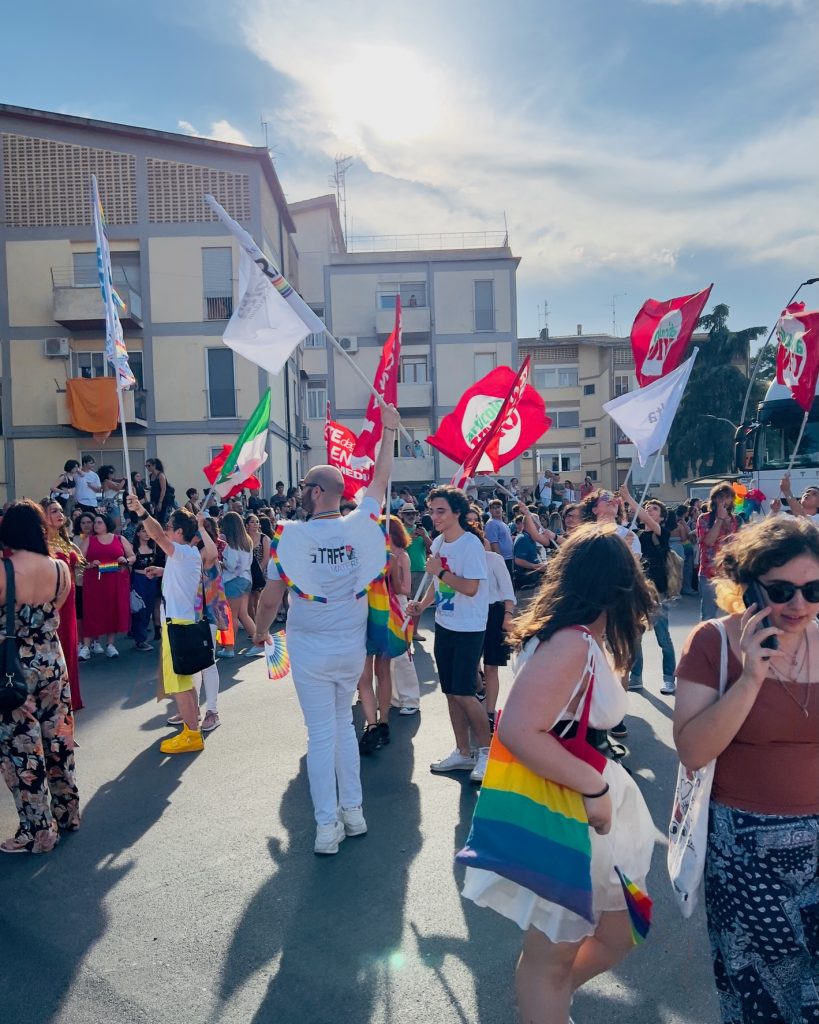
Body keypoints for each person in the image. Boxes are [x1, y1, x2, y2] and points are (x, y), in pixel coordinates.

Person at [462, 524, 657, 1024]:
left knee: (621, 929)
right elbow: (521, 729)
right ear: (619, 583)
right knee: (551, 954)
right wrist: (593, 788)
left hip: (587, 802)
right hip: (570, 807)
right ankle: (546, 1005)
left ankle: (549, 1002)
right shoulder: (572, 642)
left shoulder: (576, 638)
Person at [674, 516, 819, 1023]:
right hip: (746, 858)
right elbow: (692, 749)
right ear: (751, 588)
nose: (799, 605)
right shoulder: (713, 644)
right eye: (782, 590)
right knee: (763, 1000)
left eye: (813, 589)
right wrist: (752, 676)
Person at [251, 404, 401, 855]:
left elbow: (272, 598)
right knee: (340, 726)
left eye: (302, 487)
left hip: (311, 650)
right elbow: (380, 480)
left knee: (321, 735)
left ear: (316, 492)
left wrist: (259, 631)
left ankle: (324, 827)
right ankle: (353, 814)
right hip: (350, 649)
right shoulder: (362, 526)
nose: (298, 493)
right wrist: (389, 433)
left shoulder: (290, 538)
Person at [0, 500, 77, 853]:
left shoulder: (4, 570)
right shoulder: (60, 568)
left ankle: (37, 832)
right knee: (58, 740)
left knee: (22, 751)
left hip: (13, 667)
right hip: (52, 661)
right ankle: (67, 813)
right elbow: (54, 611)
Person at [406, 485, 491, 783]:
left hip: (469, 627)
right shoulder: (440, 542)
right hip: (445, 624)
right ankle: (462, 752)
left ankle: (486, 752)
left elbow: (470, 587)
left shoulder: (470, 545)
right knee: (451, 693)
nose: (435, 517)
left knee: (466, 694)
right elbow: (436, 585)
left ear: (457, 512)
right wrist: (422, 605)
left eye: (441, 511)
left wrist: (439, 571)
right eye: (432, 511)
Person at [125, 496, 206, 754]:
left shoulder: (181, 551)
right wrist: (161, 571)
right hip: (181, 621)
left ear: (179, 532)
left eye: (169, 526)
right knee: (185, 681)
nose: (166, 530)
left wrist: (141, 511)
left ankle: (192, 735)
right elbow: (178, 569)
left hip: (178, 623)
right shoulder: (185, 554)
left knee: (180, 684)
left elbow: (158, 536)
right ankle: (192, 729)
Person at [358, 515, 412, 753]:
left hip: (360, 617)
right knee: (383, 672)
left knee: (364, 676)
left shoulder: (356, 559)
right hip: (384, 615)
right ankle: (384, 723)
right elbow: (400, 589)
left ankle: (371, 725)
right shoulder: (389, 558)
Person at [619, 491, 677, 695]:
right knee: (635, 636)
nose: (649, 511)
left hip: (658, 591)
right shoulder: (635, 535)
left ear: (661, 517)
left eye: (654, 509)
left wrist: (629, 499)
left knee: (663, 637)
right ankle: (636, 677)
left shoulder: (662, 533)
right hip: (638, 589)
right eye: (648, 508)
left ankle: (669, 679)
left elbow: (642, 516)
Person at [42, 499, 84, 712]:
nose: (59, 514)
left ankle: (70, 698)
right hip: (54, 601)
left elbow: (81, 565)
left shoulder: (65, 540)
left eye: (60, 510)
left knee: (69, 647)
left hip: (71, 602)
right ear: (43, 515)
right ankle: (56, 700)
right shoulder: (40, 543)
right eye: (53, 511)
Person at [78, 512, 133, 660]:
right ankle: (86, 646)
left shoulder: (119, 539)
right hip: (95, 581)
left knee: (113, 610)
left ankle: (110, 645)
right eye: (95, 522)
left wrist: (125, 560)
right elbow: (79, 560)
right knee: (92, 611)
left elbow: (133, 556)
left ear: (107, 523)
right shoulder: (89, 540)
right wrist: (90, 564)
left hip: (115, 580)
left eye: (99, 522)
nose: (95, 525)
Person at [218, 511, 259, 658]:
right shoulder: (247, 541)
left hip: (233, 581)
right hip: (246, 579)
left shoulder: (232, 545)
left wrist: (221, 562)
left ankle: (229, 648)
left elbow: (232, 565)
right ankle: (259, 643)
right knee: (243, 614)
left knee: (231, 616)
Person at [696, 482, 739, 621]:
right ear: (714, 499)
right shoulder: (704, 519)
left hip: (729, 573)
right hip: (709, 573)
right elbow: (708, 541)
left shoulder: (735, 519)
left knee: (734, 614)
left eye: (727, 497)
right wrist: (719, 519)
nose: (723, 501)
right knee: (708, 615)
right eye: (720, 497)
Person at [400, 502, 431, 641]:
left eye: (413, 513)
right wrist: (410, 539)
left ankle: (414, 632)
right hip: (403, 571)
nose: (411, 516)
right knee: (403, 602)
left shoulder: (422, 530)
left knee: (417, 602)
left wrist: (424, 536)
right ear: (402, 515)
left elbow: (432, 548)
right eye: (408, 514)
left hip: (420, 570)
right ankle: (403, 630)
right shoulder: (399, 530)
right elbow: (396, 549)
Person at [581, 489, 640, 556]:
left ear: (617, 513)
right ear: (595, 510)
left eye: (614, 498)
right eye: (605, 497)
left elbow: (634, 564)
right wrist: (622, 548)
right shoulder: (586, 535)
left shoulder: (628, 534)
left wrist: (628, 551)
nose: (612, 500)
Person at [130, 521, 159, 651]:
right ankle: (140, 639)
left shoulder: (153, 547)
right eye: (143, 531)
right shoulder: (133, 549)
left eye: (148, 531)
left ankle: (141, 636)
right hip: (138, 579)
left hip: (151, 580)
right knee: (139, 608)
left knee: (149, 608)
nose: (147, 534)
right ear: (138, 533)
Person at [485, 499, 515, 581]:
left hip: (509, 558)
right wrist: (500, 561)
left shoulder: (503, 524)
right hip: (502, 560)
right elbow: (494, 543)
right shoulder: (491, 524)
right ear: (490, 510)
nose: (497, 509)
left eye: (498, 507)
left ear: (502, 509)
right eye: (494, 508)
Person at [146, 458, 176, 525]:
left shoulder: (160, 475)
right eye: (146, 466)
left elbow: (163, 489)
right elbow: (154, 486)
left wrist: (160, 502)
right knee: (154, 516)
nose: (147, 468)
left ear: (154, 466)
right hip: (154, 498)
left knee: (162, 518)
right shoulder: (150, 475)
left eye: (149, 466)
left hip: (163, 499)